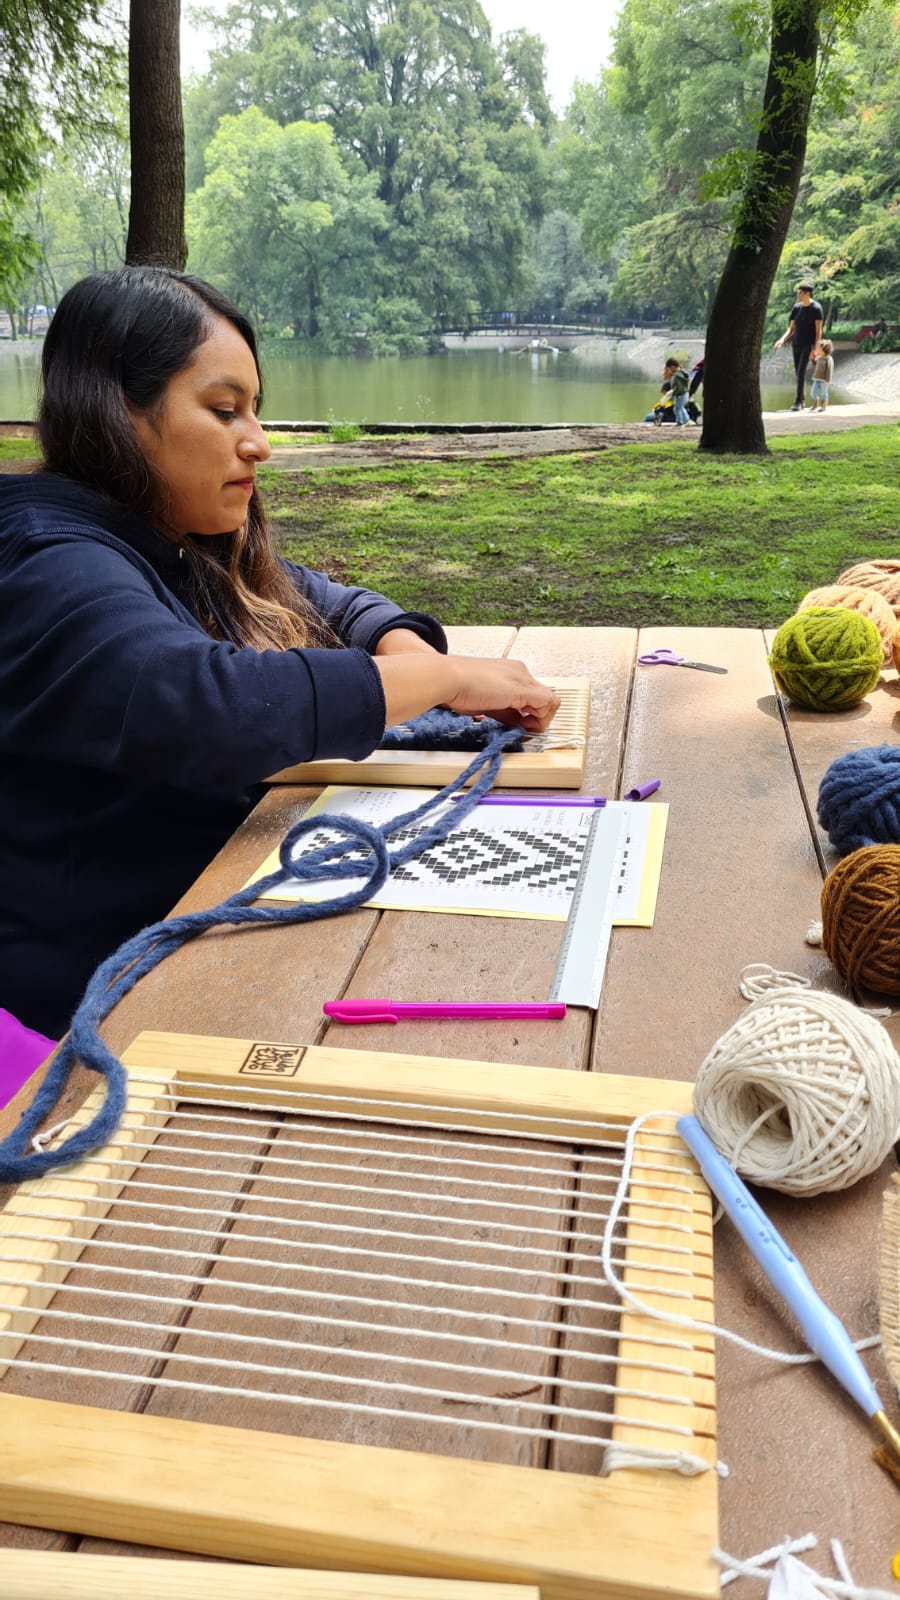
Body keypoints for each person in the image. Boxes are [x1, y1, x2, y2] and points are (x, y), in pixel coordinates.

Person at [0, 267, 559, 1038]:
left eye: (253, 411)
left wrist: (398, 644)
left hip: (208, 915)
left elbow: (328, 602)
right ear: (117, 412)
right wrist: (438, 676)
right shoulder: (49, 562)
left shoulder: (168, 539)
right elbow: (210, 706)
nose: (258, 442)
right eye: (225, 410)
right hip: (96, 999)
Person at [773, 282, 823, 411]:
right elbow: (791, 328)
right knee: (797, 373)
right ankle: (803, 399)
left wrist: (815, 349)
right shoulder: (796, 308)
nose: (798, 295)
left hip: (808, 345)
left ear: (807, 293)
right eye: (798, 293)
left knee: (801, 372)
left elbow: (818, 331)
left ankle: (798, 402)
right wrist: (782, 340)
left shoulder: (816, 308)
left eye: (800, 293)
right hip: (796, 344)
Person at [662, 357, 691, 426]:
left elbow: (677, 388)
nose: (669, 371)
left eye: (669, 369)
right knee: (681, 407)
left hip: (680, 394)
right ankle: (686, 419)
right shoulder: (682, 373)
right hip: (686, 393)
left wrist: (672, 394)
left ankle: (679, 422)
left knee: (676, 409)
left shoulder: (676, 376)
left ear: (672, 367)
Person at [808, 339, 834, 412]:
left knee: (824, 393)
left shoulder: (828, 359)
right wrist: (812, 360)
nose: (817, 349)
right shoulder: (819, 357)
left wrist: (828, 379)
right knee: (813, 392)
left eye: (818, 348)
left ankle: (823, 406)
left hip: (824, 380)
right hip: (816, 378)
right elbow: (815, 364)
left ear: (824, 349)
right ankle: (815, 404)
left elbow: (829, 369)